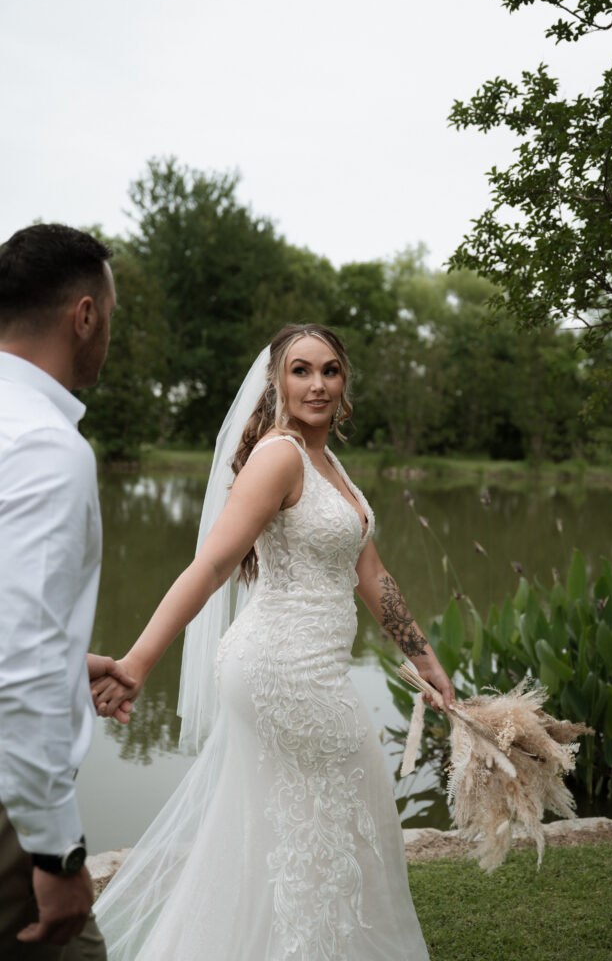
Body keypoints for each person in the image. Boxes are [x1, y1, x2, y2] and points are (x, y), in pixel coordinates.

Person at [92, 323, 455, 960]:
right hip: (280, 669)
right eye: (301, 370)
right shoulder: (280, 455)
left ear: (345, 385)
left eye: (331, 370)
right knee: (343, 813)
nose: (318, 384)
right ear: (277, 383)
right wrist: (137, 661)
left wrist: (425, 658)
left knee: (299, 826)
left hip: (310, 668)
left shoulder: (328, 463)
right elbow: (209, 566)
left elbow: (371, 575)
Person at [0, 223, 136, 959]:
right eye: (109, 317)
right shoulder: (46, 447)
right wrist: (55, 856)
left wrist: (63, 661)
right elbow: (16, 666)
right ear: (84, 315)